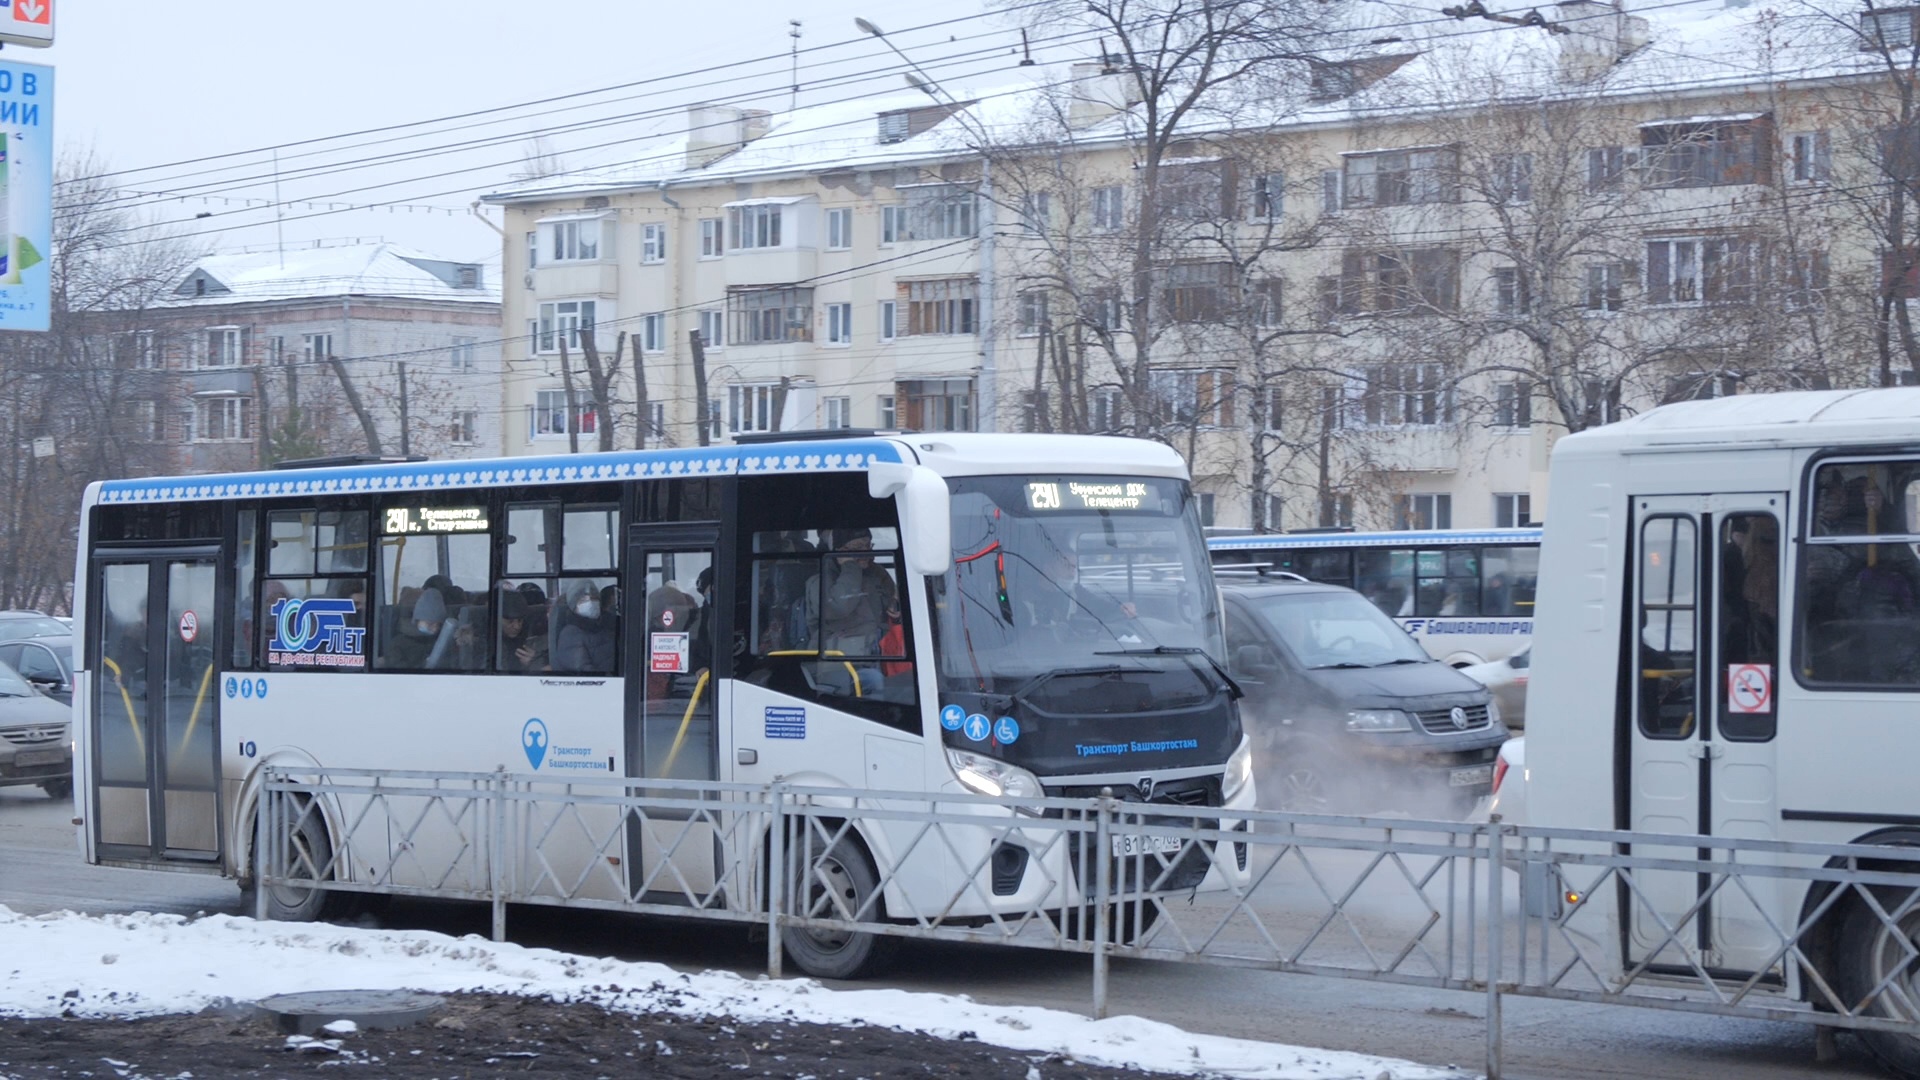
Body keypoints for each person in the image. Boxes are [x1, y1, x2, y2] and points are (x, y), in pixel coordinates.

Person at [805, 527, 896, 656]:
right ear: (839, 551)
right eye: (857, 547)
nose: (865, 552)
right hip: (839, 659)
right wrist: (850, 567)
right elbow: (840, 607)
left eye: (868, 545)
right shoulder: (818, 581)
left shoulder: (875, 574)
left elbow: (891, 601)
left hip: (878, 648)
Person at [554, 580, 615, 673]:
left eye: (594, 598)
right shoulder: (570, 634)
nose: (590, 603)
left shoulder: (606, 626)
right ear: (574, 605)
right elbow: (584, 672)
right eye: (583, 600)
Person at [385, 589, 448, 669]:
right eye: (430, 624)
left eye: (438, 625)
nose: (435, 629)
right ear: (417, 620)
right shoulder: (398, 644)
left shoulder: (443, 642)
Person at [497, 588, 548, 673]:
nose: (517, 626)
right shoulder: (482, 642)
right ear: (497, 619)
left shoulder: (534, 638)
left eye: (520, 620)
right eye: (510, 621)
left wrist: (534, 662)